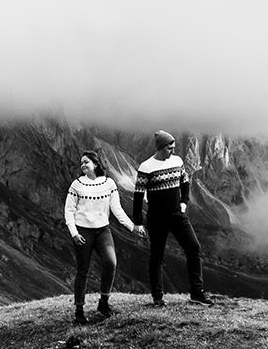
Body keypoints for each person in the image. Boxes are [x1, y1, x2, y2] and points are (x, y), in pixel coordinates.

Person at [64, 150, 138, 324]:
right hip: (83, 231)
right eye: (81, 162)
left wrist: (132, 227)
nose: (82, 165)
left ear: (95, 164)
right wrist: (74, 233)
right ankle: (79, 311)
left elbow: (117, 209)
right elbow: (69, 210)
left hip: (103, 230)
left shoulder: (109, 183)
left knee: (111, 263)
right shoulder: (76, 185)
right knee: (82, 270)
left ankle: (103, 303)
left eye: (86, 162)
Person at [135, 130, 208, 306]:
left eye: (174, 147)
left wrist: (184, 202)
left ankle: (197, 293)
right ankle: (158, 297)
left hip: (177, 215)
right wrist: (138, 222)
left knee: (194, 247)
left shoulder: (177, 161)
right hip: (156, 218)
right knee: (157, 256)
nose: (173, 151)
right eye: (169, 148)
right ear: (160, 147)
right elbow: (138, 195)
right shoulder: (146, 167)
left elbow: (185, 182)